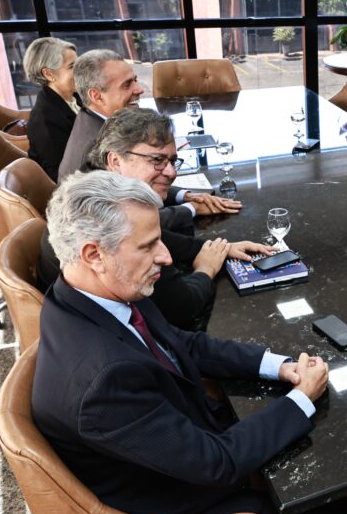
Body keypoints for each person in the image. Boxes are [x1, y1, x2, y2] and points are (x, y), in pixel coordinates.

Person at [32, 171, 347, 514]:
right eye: (147, 246)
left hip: (173, 447)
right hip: (172, 512)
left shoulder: (91, 292)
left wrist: (279, 366)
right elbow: (216, 464)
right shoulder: (101, 381)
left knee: (331, 483)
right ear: (93, 254)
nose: (164, 257)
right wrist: (302, 398)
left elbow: (184, 344)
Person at [37, 108, 271, 330]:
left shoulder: (95, 185)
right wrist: (206, 269)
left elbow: (160, 238)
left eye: (172, 161)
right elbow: (182, 308)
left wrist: (218, 248)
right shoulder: (104, 217)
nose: (172, 172)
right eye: (157, 161)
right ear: (115, 161)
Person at [58, 49, 145, 180]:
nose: (139, 89)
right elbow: (134, 192)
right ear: (96, 96)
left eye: (135, 80)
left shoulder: (90, 119)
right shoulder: (95, 150)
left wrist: (183, 194)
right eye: (127, 85)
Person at [23, 37, 81, 180]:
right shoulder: (44, 119)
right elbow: (62, 176)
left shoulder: (77, 96)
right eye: (72, 66)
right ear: (49, 74)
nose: (80, 71)